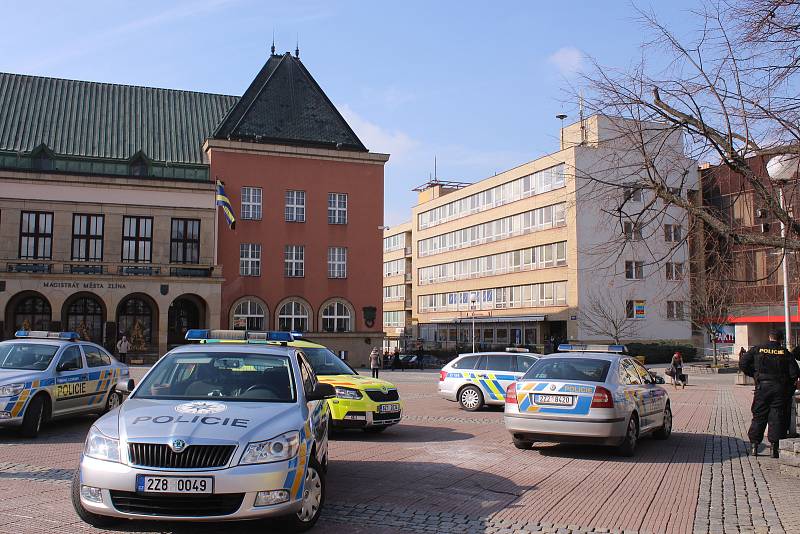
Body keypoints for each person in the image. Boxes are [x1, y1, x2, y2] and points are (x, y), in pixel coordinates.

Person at [740, 330, 800, 457]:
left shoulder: (758, 349)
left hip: (762, 387)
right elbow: (795, 373)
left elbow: (743, 363)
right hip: (779, 389)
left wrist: (755, 375)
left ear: (769, 337)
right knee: (777, 417)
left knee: (759, 416)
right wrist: (787, 387)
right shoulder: (785, 353)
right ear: (781, 339)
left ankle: (754, 446)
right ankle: (774, 448)